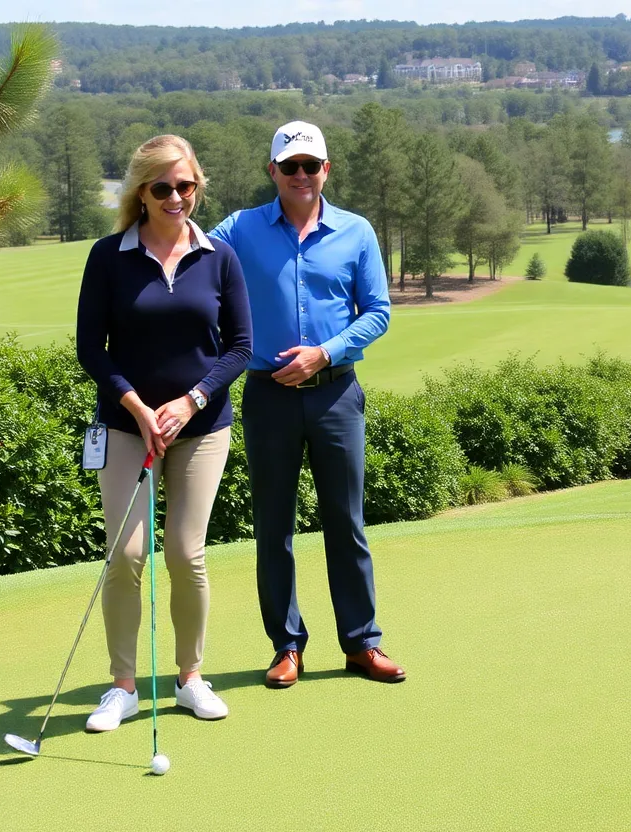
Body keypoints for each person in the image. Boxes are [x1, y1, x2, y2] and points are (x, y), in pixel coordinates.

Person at [211, 121, 403, 688]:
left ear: (327, 169)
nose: (301, 175)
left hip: (336, 394)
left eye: (310, 165)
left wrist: (324, 352)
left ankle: (361, 643)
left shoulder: (356, 231)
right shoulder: (240, 229)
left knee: (347, 522)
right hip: (267, 395)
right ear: (272, 171)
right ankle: (286, 646)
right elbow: (187, 248)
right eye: (289, 166)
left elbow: (377, 312)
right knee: (274, 527)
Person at [76, 135, 252, 730]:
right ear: (141, 192)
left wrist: (190, 400)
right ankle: (122, 687)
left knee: (184, 551)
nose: (177, 197)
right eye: (163, 187)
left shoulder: (219, 257)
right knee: (125, 554)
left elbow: (240, 348)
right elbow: (89, 349)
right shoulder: (109, 256)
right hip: (126, 427)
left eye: (187, 185)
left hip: (201, 428)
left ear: (197, 186)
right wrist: (138, 407)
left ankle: (190, 678)